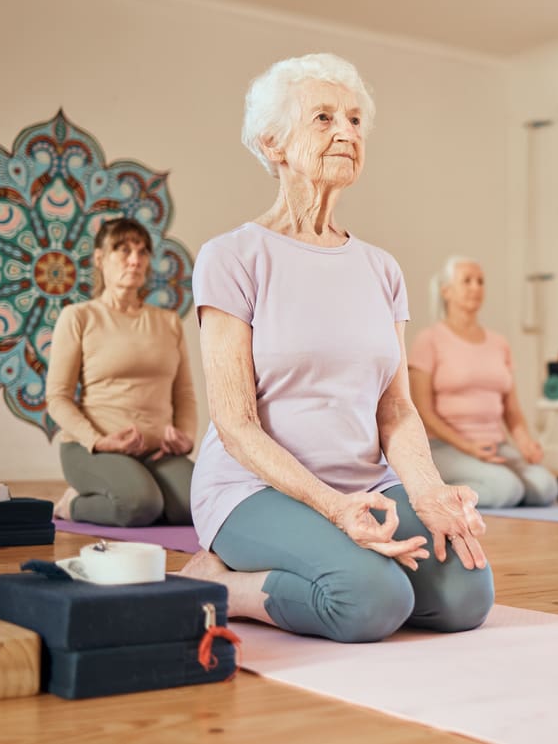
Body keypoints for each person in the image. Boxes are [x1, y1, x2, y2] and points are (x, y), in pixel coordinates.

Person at [178, 53, 493, 643]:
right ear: (273, 143)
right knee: (370, 600)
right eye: (322, 118)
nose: (346, 131)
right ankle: (222, 584)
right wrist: (333, 508)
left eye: (353, 119)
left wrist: (429, 492)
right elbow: (237, 423)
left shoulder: (381, 268)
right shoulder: (233, 257)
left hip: (364, 483)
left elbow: (395, 409)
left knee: (464, 596)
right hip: (254, 489)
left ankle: (335, 553)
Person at [45, 218, 196, 526]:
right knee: (139, 505)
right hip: (92, 449)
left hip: (156, 453)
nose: (135, 259)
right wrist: (99, 441)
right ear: (100, 258)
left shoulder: (168, 322)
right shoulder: (79, 317)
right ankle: (71, 504)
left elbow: (184, 394)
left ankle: (149, 492)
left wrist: (186, 439)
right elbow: (57, 397)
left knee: (200, 506)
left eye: (142, 251)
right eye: (123, 250)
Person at [408, 257, 558, 508]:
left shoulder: (498, 343)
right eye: (466, 281)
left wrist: (525, 443)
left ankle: (490, 484)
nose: (476, 287)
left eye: (480, 281)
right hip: (444, 447)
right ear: (446, 291)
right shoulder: (429, 339)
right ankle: (437, 497)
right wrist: (468, 447)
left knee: (546, 489)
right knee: (506, 490)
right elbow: (422, 411)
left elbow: (511, 410)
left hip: (494, 447)